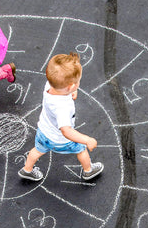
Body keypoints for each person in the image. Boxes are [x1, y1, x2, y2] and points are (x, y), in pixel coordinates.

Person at [18, 52, 104, 182]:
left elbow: (62, 87)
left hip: (43, 132)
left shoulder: (50, 85)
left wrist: (71, 91)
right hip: (61, 140)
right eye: (77, 82)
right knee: (81, 150)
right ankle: (88, 171)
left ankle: (27, 170)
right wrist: (86, 140)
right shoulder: (63, 107)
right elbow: (66, 131)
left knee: (37, 150)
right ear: (70, 86)